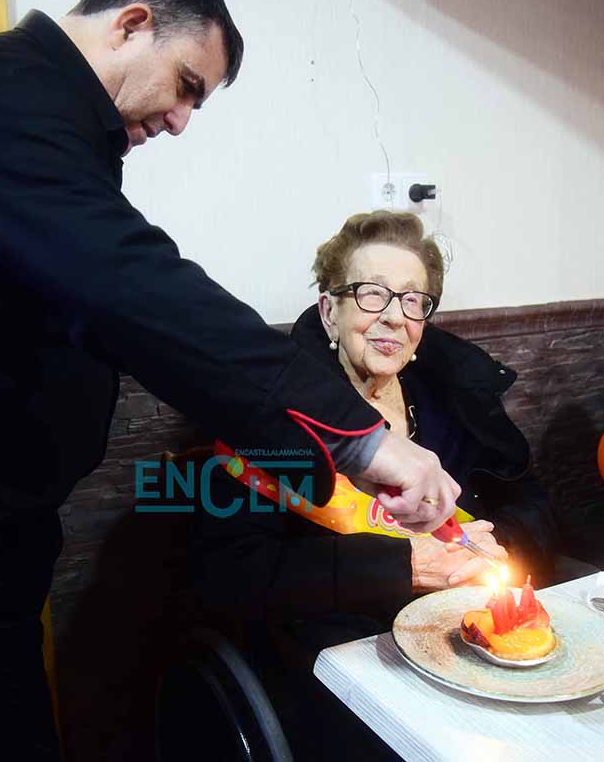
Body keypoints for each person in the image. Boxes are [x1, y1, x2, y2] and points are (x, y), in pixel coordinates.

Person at [0, 0, 461, 762]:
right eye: (185, 85)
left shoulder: (55, 122)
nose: (181, 121)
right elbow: (136, 287)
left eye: (412, 302)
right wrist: (359, 439)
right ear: (131, 23)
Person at [191, 211, 559, 759]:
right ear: (328, 313)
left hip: (472, 638)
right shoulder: (267, 420)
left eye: (413, 301)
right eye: (370, 295)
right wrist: (405, 565)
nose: (393, 318)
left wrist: (495, 543)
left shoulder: (455, 401)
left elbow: (535, 512)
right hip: (345, 661)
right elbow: (226, 579)